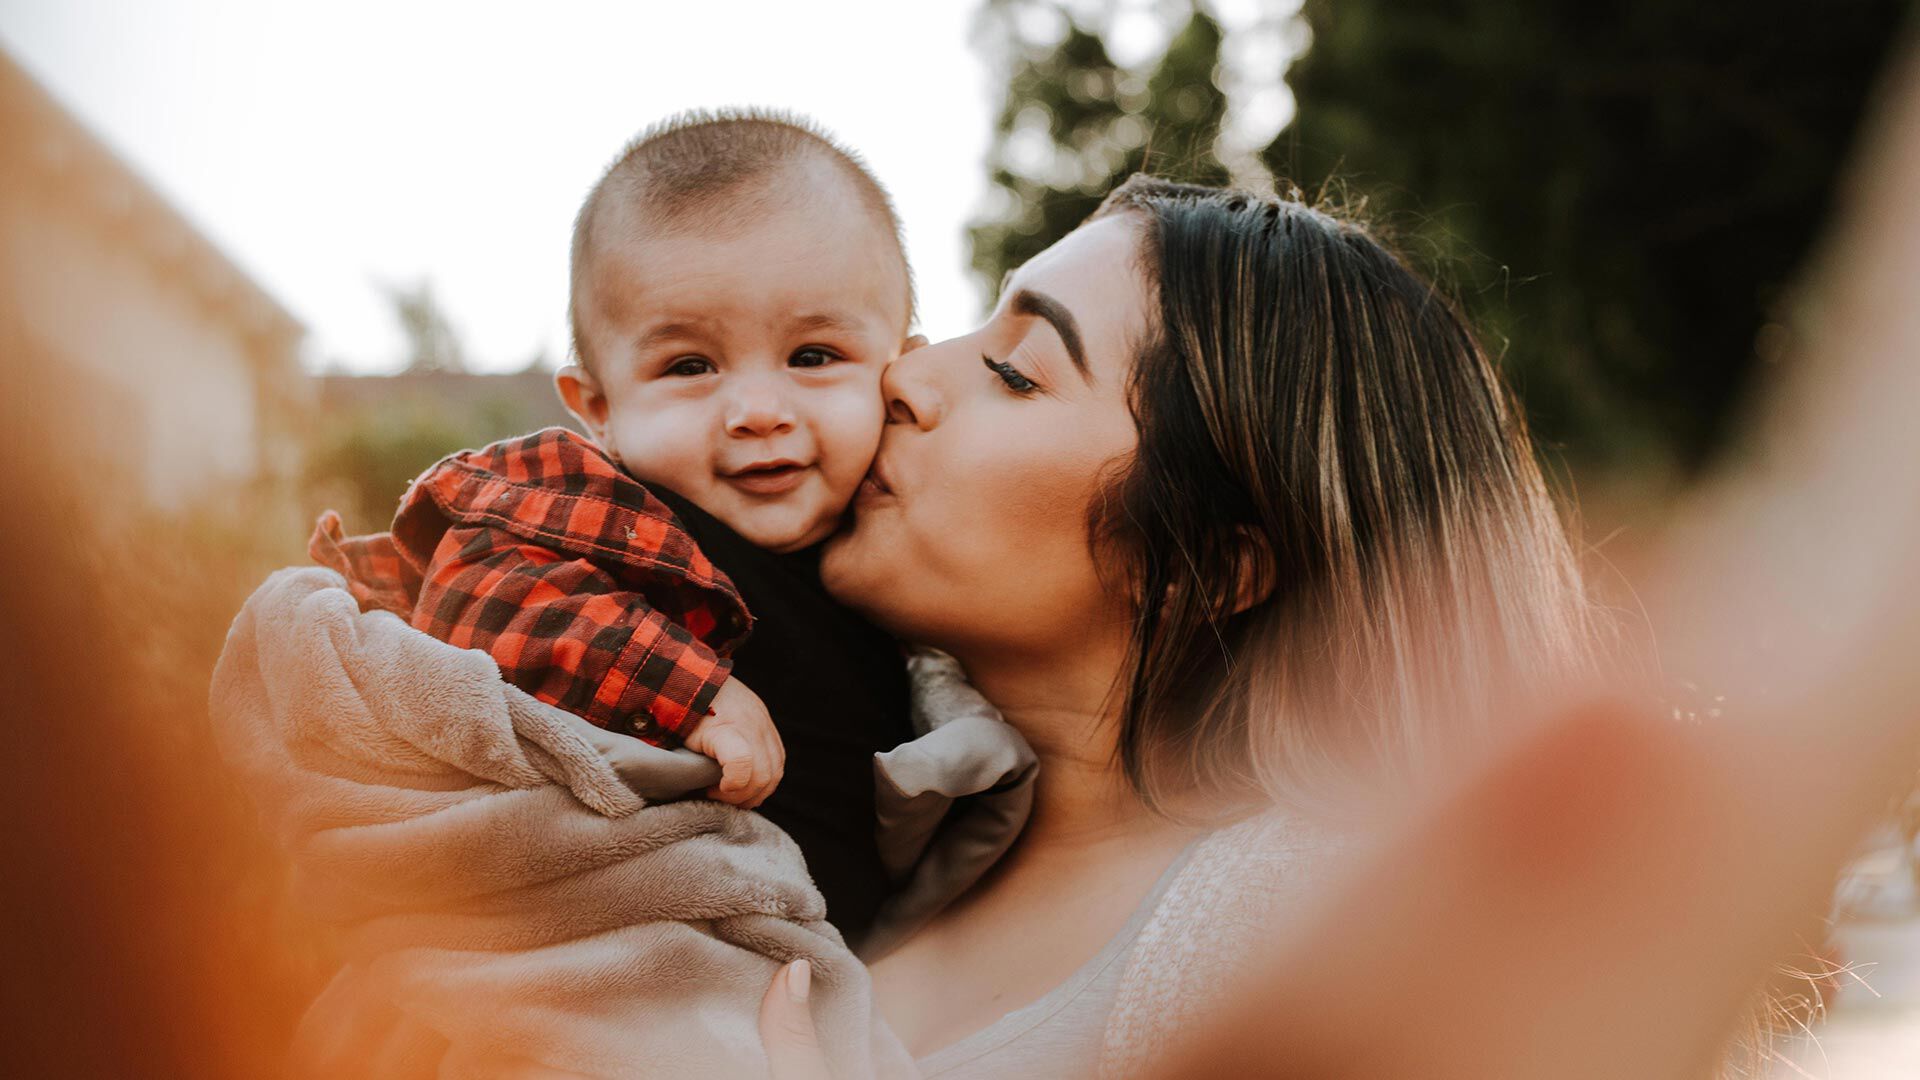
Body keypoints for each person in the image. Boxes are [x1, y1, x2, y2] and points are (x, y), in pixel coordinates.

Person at [759, 174, 1599, 1078]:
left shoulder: (1307, 937)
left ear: (1211, 566)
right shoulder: (838, 813)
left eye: (1015, 371)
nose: (907, 374)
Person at [307, 110, 922, 942]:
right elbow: (480, 589)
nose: (757, 412)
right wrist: (686, 691)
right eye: (689, 367)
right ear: (599, 409)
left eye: (813, 356)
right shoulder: (609, 508)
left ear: (904, 369)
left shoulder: (910, 541)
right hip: (624, 953)